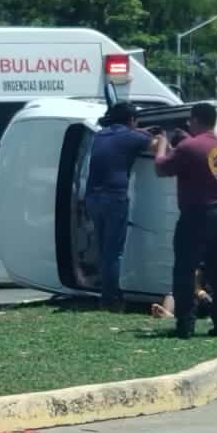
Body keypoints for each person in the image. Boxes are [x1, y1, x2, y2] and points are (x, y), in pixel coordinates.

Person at [153, 104, 217, 338]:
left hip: (196, 214)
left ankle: (185, 324)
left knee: (184, 269)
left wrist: (162, 146)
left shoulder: (188, 147)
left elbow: (161, 168)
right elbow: (208, 166)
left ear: (196, 120)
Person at [84, 102, 160, 311]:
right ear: (132, 120)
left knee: (103, 250)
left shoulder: (100, 134)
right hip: (114, 198)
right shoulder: (133, 137)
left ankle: (105, 294)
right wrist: (160, 137)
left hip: (92, 197)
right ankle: (111, 299)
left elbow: (122, 139)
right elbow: (157, 148)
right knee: (113, 252)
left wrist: (139, 132)